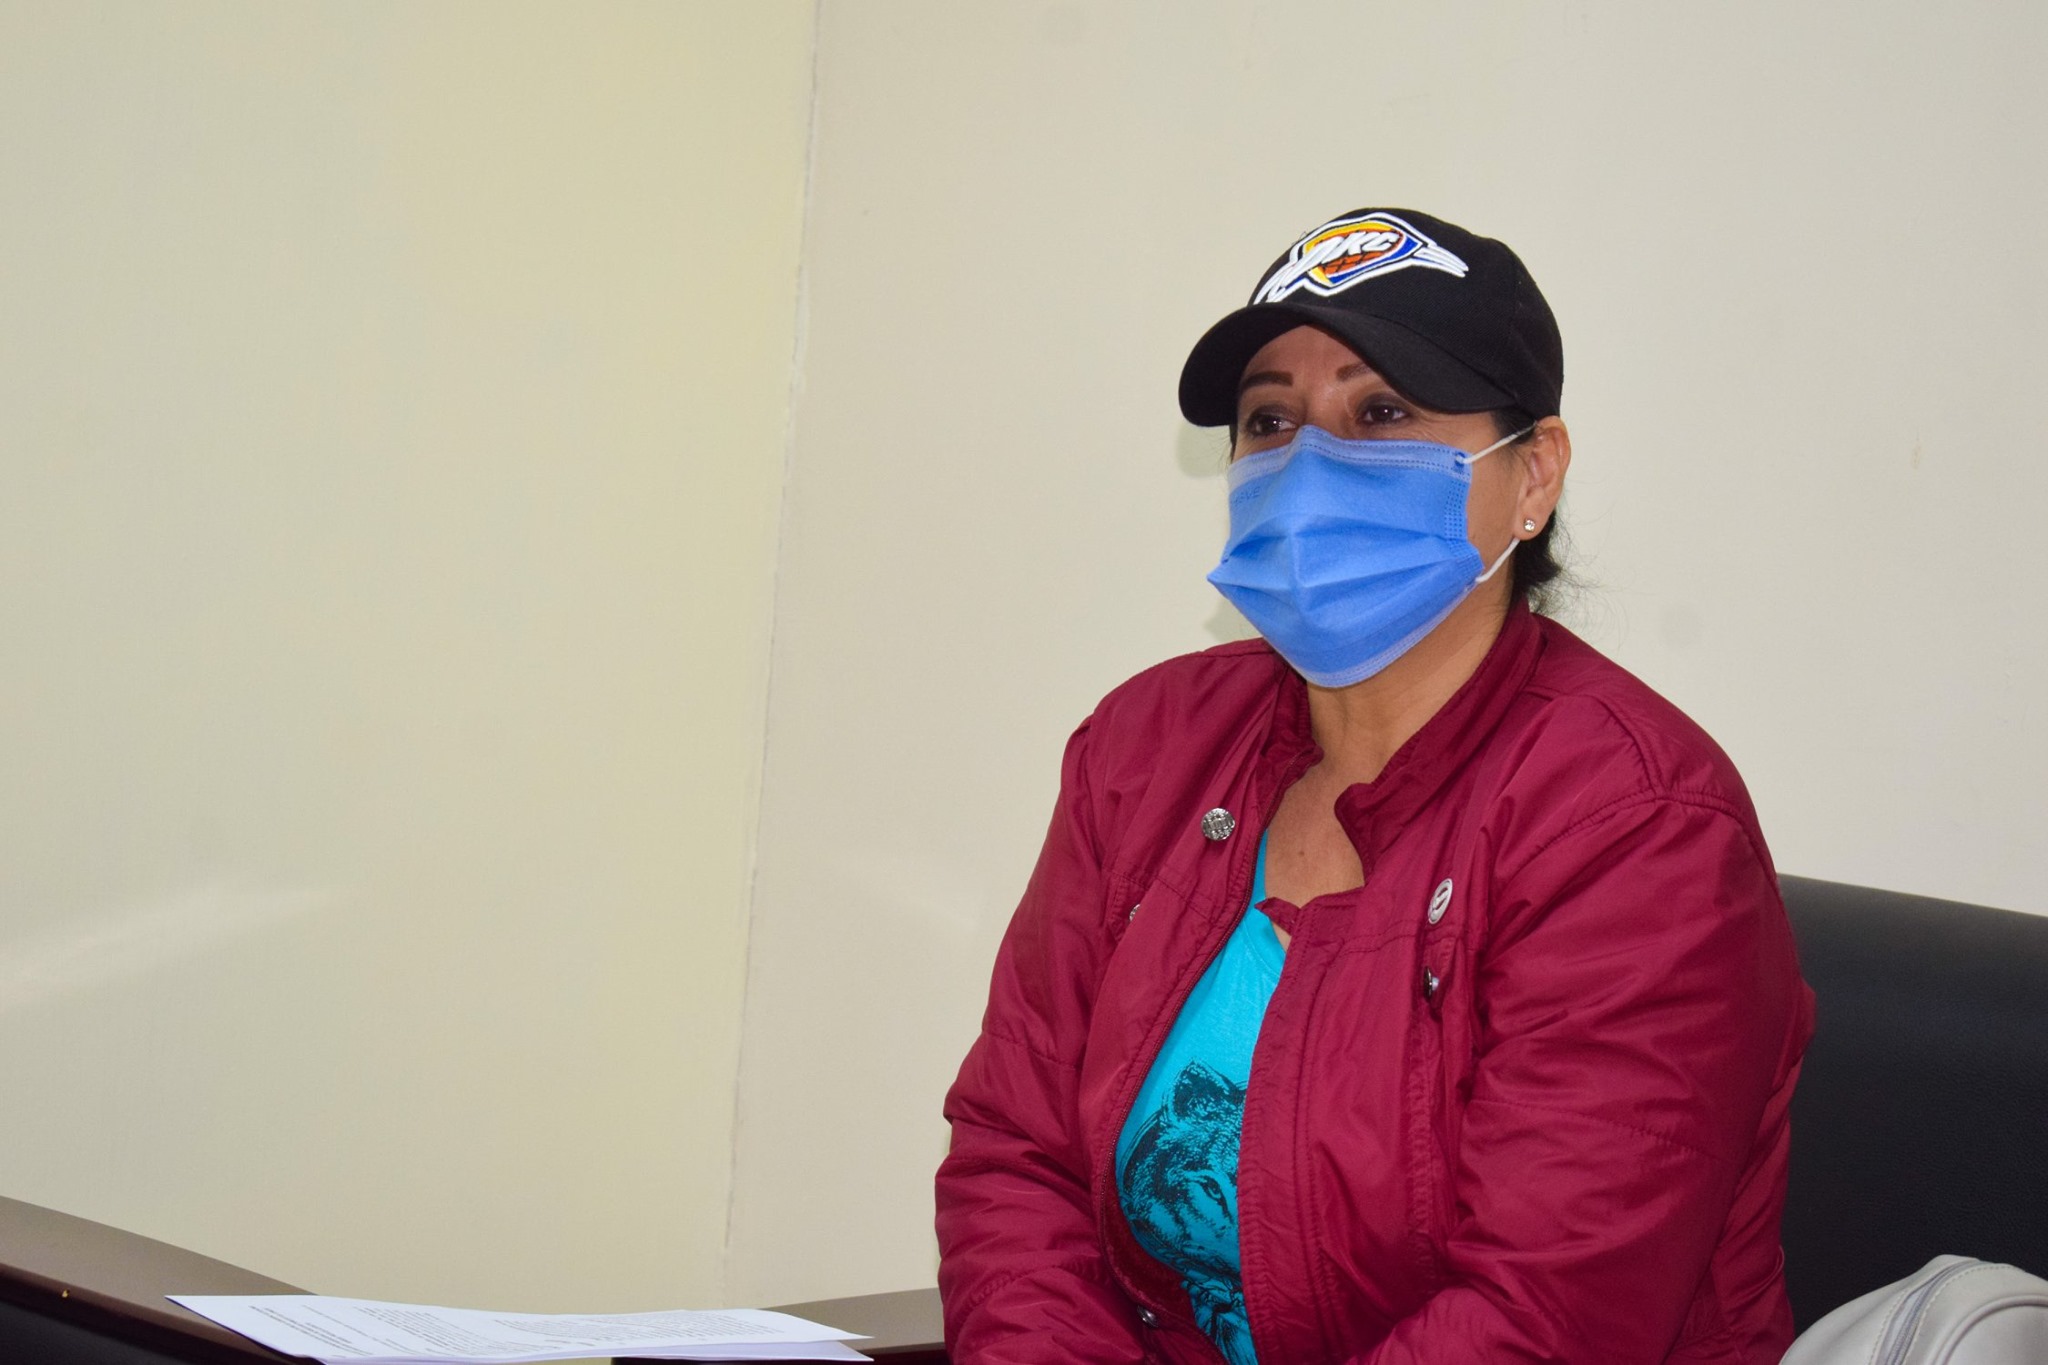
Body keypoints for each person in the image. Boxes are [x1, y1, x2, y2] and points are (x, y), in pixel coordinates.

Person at [934, 207, 1814, 1365]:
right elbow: (1015, 1161)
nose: (1307, 464)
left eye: (1380, 413)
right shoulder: (1145, 749)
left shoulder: (1636, 825)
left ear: (1532, 472)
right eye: (1269, 419)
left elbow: (1542, 1320)